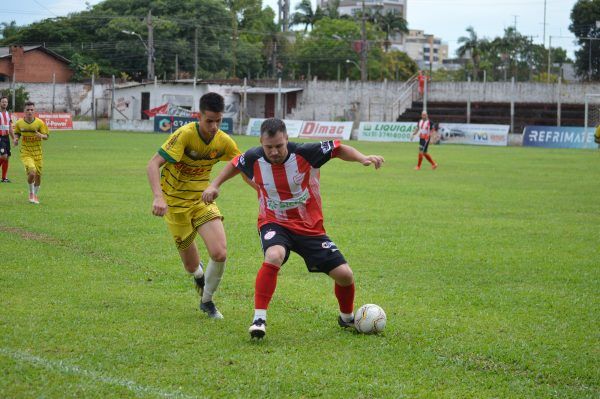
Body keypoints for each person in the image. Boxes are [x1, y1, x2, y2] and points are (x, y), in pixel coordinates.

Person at [202, 118, 385, 339]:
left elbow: (339, 148)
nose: (275, 151)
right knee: (274, 254)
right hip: (274, 222)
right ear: (261, 142)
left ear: (286, 139)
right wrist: (214, 185)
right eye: (269, 147)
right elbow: (235, 163)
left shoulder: (306, 152)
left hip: (310, 228)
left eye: (279, 145)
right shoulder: (254, 156)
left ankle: (346, 318)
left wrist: (362, 158)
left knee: (345, 275)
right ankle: (259, 319)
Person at [146, 92, 241, 319]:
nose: (214, 126)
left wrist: (260, 189)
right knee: (191, 266)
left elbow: (241, 163)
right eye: (209, 121)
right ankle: (198, 276)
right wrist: (158, 197)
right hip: (175, 207)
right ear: (199, 116)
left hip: (201, 201)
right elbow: (153, 164)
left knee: (219, 253)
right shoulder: (185, 135)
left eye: (219, 120)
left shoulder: (223, 141)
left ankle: (207, 301)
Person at [13, 102, 49, 204]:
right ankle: (31, 193)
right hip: (26, 152)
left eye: (31, 110)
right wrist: (16, 140)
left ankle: (35, 195)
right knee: (32, 172)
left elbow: (46, 136)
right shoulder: (19, 123)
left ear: (34, 111)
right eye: (28, 110)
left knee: (38, 176)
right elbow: (17, 133)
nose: (29, 111)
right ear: (24, 111)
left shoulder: (40, 123)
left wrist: (41, 136)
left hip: (38, 153)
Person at [0, 95, 16, 183]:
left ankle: (4, 178)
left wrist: (13, 138)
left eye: (6, 102)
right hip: (0, 138)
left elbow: (9, 127)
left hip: (6, 138)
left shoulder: (8, 113)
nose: (4, 103)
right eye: (3, 102)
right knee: (3, 156)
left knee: (7, 158)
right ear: (0, 103)